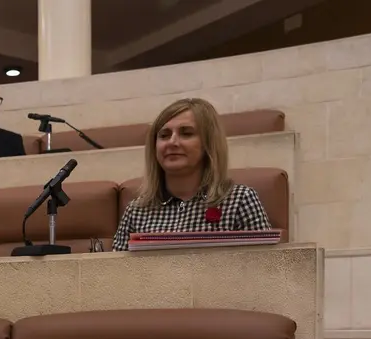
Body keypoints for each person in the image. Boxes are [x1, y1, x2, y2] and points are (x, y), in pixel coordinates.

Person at [112, 97, 272, 251]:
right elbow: (116, 269)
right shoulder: (136, 211)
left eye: (186, 133)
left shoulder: (240, 200)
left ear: (208, 144)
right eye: (164, 135)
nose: (172, 142)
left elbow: (264, 266)